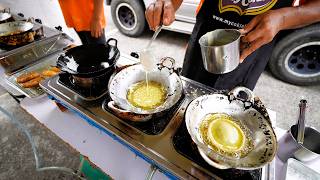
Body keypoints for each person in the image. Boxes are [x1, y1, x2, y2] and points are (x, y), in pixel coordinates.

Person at [145, 0, 320, 90]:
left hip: (254, 42)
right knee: (188, 90)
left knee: (230, 104)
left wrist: (283, 18)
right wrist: (168, 2)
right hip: (207, 33)